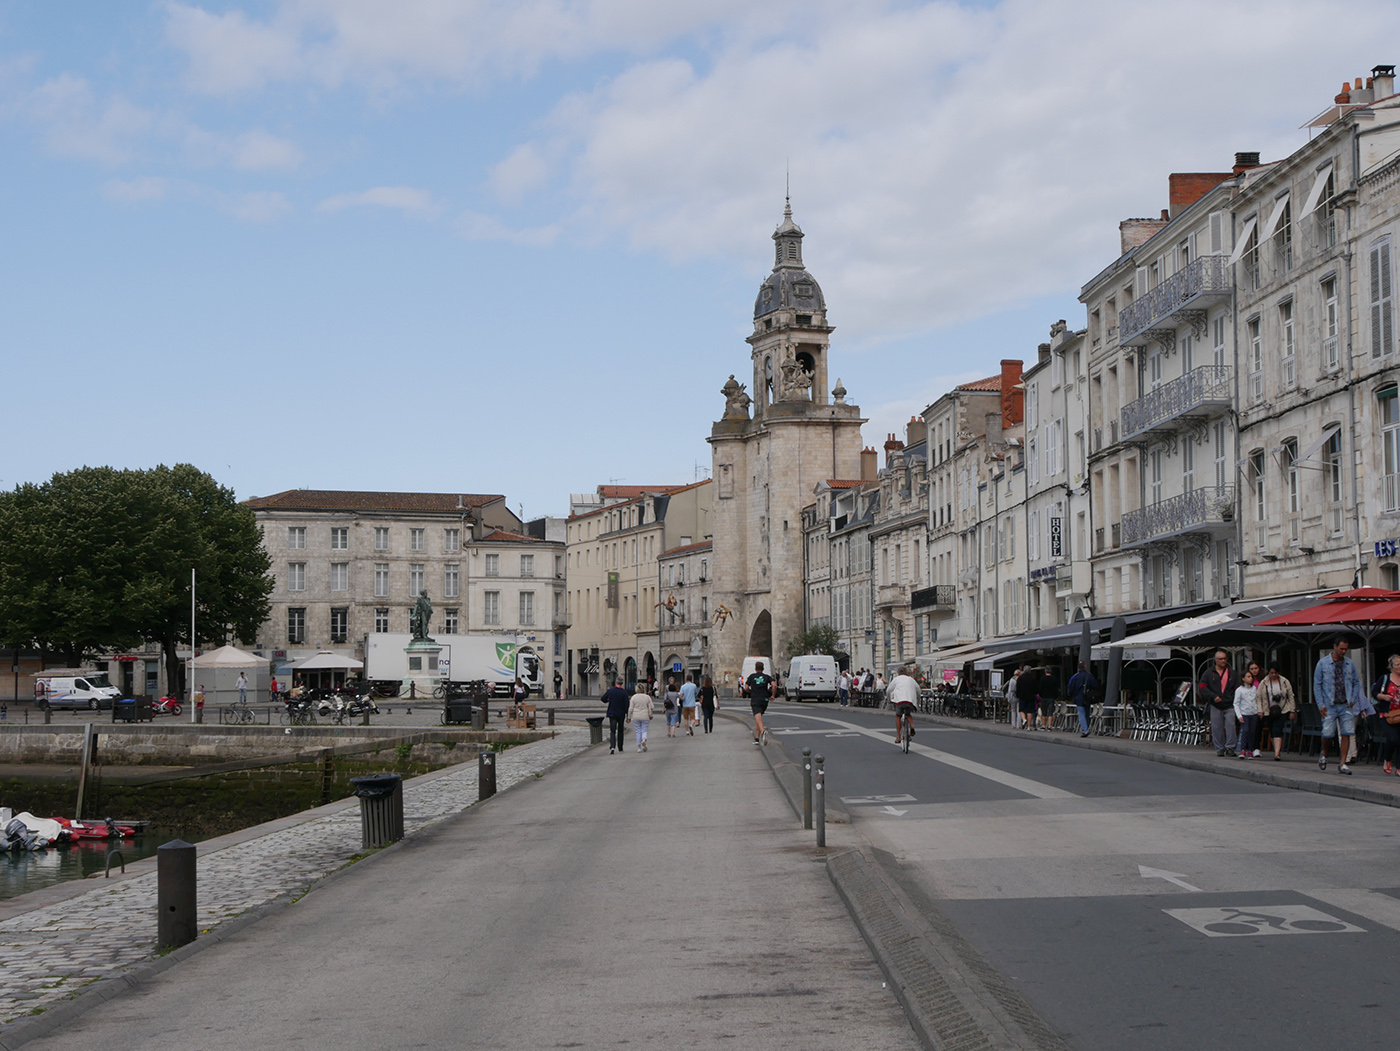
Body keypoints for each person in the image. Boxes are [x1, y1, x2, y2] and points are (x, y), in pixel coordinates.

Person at [1314, 636, 1363, 775]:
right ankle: (1325, 752)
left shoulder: (1349, 664)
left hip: (1345, 704)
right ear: (1334, 647)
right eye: (1341, 648)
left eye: (1345, 649)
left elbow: (1356, 682)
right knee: (1327, 733)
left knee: (1347, 732)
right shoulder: (1323, 664)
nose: (1343, 651)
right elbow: (1317, 684)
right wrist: (1320, 704)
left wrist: (1353, 699)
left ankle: (1343, 763)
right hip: (1329, 704)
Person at [1199, 650, 1238, 757]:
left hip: (1229, 704)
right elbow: (1202, 687)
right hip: (1215, 704)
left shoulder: (1232, 673)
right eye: (1220, 659)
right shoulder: (1208, 673)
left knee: (1231, 725)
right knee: (1216, 727)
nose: (1223, 661)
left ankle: (1230, 748)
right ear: (1215, 660)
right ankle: (1220, 748)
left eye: (1225, 658)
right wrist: (1213, 696)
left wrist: (1234, 699)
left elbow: (1237, 688)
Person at [1372, 655, 1400, 776]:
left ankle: (1399, 768)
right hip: (1387, 714)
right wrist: (1383, 697)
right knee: (1393, 738)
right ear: (1391, 666)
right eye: (1397, 664)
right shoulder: (1384, 679)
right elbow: (1374, 692)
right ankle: (1387, 758)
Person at [1261, 665, 1296, 761]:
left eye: (1276, 673)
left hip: (1283, 709)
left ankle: (1277, 753)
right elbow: (1259, 696)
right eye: (1272, 673)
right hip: (1269, 710)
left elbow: (1290, 695)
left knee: (1277, 729)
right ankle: (1276, 748)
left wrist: (1292, 710)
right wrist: (1260, 710)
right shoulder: (1264, 682)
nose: (1274, 675)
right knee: (1272, 730)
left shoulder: (1284, 681)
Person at [887, 663, 920, 744]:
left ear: (898, 673)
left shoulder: (896, 679)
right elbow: (918, 690)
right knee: (908, 713)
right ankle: (912, 725)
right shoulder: (911, 679)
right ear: (907, 672)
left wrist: (889, 699)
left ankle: (898, 737)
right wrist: (917, 700)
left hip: (900, 701)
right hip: (910, 701)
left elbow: (888, 690)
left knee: (898, 716)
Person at [1233, 669, 1261, 759]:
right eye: (1248, 677)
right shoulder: (1239, 690)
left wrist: (1258, 710)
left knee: (1252, 732)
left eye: (1251, 677)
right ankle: (1242, 750)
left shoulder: (1254, 689)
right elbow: (1236, 703)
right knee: (1245, 731)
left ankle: (1251, 750)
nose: (1250, 679)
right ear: (1243, 679)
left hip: (1253, 713)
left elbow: (1257, 700)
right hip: (1244, 713)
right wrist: (1239, 715)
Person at [745, 661, 774, 745]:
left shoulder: (752, 677)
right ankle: (757, 739)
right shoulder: (767, 677)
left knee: (757, 717)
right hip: (765, 699)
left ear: (755, 668)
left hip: (755, 699)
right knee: (759, 718)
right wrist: (772, 695)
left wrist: (750, 691)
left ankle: (763, 732)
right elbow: (774, 685)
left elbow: (746, 688)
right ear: (763, 668)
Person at [1067, 661, 1097, 737]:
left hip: (1078, 698)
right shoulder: (1090, 676)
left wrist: (1072, 695)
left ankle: (1085, 730)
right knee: (1087, 714)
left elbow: (1070, 688)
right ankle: (1086, 727)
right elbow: (1095, 686)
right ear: (1085, 667)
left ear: (1078, 667)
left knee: (1081, 714)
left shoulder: (1075, 677)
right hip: (1087, 698)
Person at [601, 678, 631, 755]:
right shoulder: (624, 693)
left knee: (613, 730)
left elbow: (603, 699)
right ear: (622, 683)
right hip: (621, 714)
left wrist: (609, 700)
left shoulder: (611, 691)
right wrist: (627, 715)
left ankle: (612, 746)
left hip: (612, 713)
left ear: (616, 683)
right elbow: (627, 705)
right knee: (620, 731)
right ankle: (620, 748)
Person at [627, 682, 653, 752]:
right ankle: (644, 739)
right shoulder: (647, 697)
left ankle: (639, 747)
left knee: (638, 731)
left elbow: (630, 709)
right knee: (644, 730)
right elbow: (652, 706)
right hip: (645, 716)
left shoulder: (634, 697)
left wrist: (629, 717)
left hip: (636, 716)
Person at [1017, 665, 1039, 730]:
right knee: (1030, 711)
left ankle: (1024, 719)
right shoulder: (1033, 678)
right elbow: (1036, 689)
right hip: (1031, 697)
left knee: (1021, 710)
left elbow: (1018, 688)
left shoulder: (1020, 678)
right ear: (1030, 671)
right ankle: (1029, 726)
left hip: (1022, 696)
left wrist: (1018, 695)